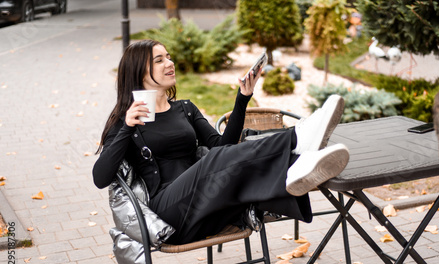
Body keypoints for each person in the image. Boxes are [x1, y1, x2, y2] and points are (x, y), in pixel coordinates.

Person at [93, 39, 349, 245]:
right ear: (138, 72)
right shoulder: (127, 121)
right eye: (159, 60)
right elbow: (100, 178)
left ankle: (297, 161)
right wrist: (127, 127)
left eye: (169, 57)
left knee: (219, 158)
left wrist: (242, 99)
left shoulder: (184, 109)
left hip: (207, 205)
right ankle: (296, 144)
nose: (169, 63)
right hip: (170, 214)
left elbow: (221, 146)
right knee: (214, 162)